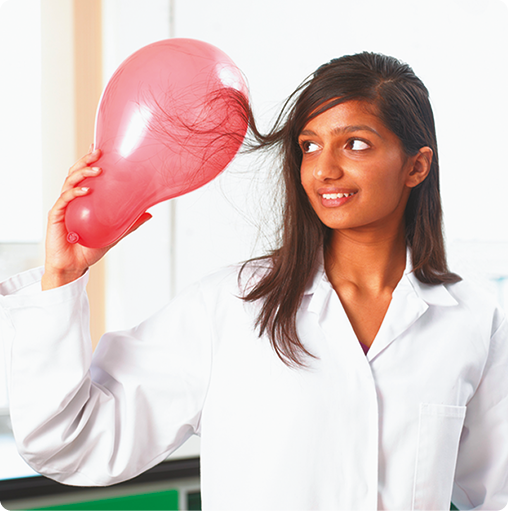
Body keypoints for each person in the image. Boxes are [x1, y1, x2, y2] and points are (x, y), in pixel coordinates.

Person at [0, 52, 507, 511]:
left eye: (355, 144)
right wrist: (62, 277)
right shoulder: (231, 306)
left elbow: (495, 494)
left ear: (416, 166)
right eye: (309, 146)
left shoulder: (474, 318)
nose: (324, 170)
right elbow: (67, 442)